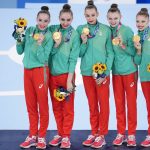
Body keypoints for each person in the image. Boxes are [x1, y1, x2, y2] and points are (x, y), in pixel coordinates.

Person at [77, 0, 114, 148]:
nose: (90, 17)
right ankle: (94, 131)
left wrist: (105, 73)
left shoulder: (106, 30)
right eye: (87, 15)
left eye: (92, 15)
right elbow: (79, 53)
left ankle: (102, 135)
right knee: (92, 104)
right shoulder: (81, 29)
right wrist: (84, 42)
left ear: (97, 14)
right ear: (84, 15)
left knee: (103, 104)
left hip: (101, 73)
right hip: (87, 72)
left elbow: (110, 52)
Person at [15, 6, 53, 149]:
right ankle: (32, 135)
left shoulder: (48, 36)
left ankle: (42, 136)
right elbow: (20, 51)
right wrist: (19, 37)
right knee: (30, 105)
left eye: (45, 21)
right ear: (36, 19)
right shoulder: (30, 30)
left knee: (42, 105)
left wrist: (39, 44)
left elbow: (44, 58)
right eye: (40, 20)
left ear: (49, 21)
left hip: (40, 71)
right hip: (27, 71)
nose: (42, 23)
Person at [48, 4, 80, 149]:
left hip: (66, 76)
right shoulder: (54, 29)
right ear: (58, 18)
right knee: (56, 106)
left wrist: (69, 81)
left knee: (67, 107)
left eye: (68, 19)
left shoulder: (74, 35)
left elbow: (73, 59)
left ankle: (66, 136)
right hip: (52, 76)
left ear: (72, 18)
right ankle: (60, 133)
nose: (65, 22)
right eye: (62, 19)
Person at [107, 4, 138, 147]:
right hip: (116, 73)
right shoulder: (108, 31)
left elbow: (134, 51)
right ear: (107, 18)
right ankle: (121, 133)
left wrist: (123, 46)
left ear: (120, 17)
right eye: (110, 18)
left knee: (131, 104)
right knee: (119, 104)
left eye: (115, 18)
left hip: (130, 72)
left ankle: (131, 134)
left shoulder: (127, 31)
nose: (113, 21)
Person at [134, 8, 150, 147]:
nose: (140, 24)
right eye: (138, 21)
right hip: (145, 77)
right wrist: (138, 50)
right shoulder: (137, 37)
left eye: (143, 21)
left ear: (148, 21)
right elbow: (137, 61)